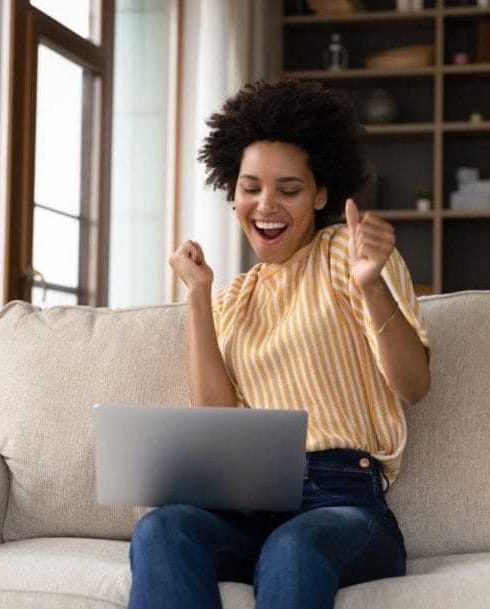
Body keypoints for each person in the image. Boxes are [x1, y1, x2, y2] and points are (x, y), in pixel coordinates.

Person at [127, 79, 432, 609]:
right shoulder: (233, 299)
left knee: (292, 548)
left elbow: (414, 385)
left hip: (343, 504)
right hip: (247, 504)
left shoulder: (347, 254)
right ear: (233, 194)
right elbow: (216, 423)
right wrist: (199, 296)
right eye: (251, 187)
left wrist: (371, 284)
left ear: (319, 194)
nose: (266, 205)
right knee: (163, 528)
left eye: (288, 189)